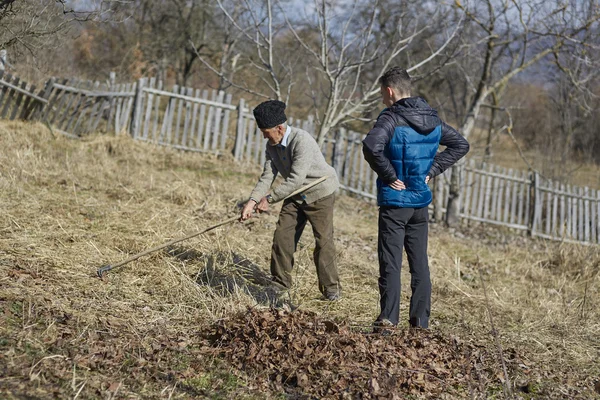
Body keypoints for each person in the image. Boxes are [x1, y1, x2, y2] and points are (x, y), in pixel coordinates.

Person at [362, 67, 470, 330]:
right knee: (419, 263)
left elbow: (370, 146)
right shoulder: (432, 119)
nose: (382, 98)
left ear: (389, 91)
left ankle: (388, 320)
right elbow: (461, 145)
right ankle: (420, 323)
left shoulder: (390, 118)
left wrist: (389, 175)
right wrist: (431, 171)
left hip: (395, 202)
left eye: (382, 93)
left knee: (391, 262)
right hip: (420, 205)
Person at [240, 100, 342, 300]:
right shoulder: (272, 145)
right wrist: (251, 202)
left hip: (319, 192)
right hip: (296, 195)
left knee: (323, 241)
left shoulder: (301, 140)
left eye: (266, 131)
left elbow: (296, 178)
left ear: (279, 128)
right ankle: (280, 283)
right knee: (282, 237)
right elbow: (267, 177)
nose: (264, 136)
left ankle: (331, 289)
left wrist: (269, 199)